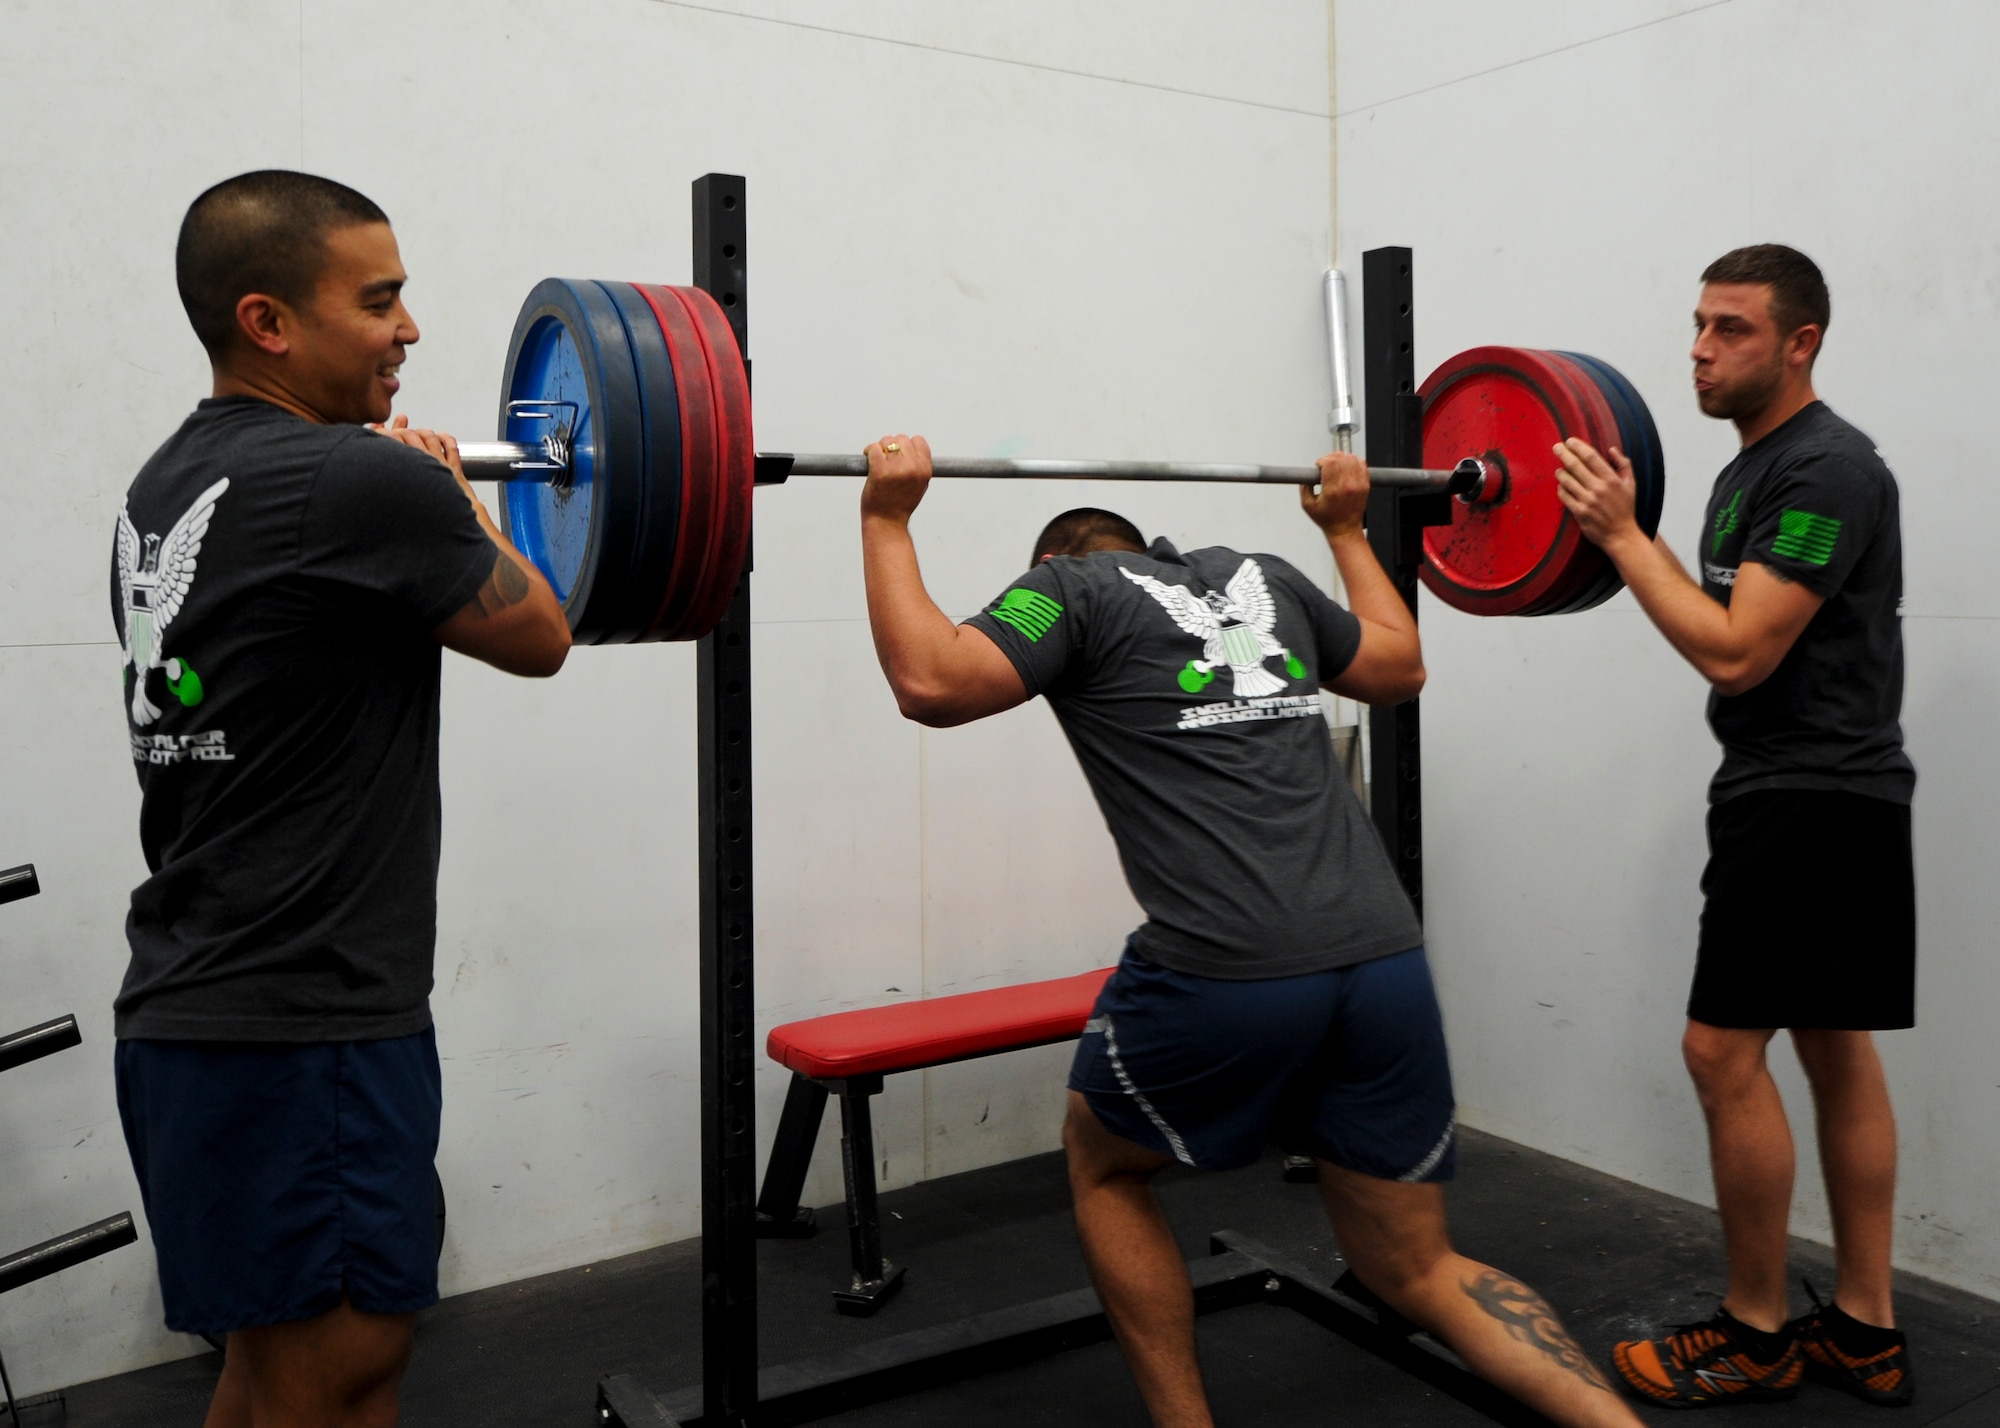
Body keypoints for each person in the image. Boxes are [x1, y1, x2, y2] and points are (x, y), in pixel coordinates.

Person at [858, 436, 1643, 1428]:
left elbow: (932, 683)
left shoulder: (1064, 589)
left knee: (1104, 1165)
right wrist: (1348, 531)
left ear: (1055, 561)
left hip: (1224, 970)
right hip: (1379, 958)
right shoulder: (1261, 578)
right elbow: (1398, 666)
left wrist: (886, 517)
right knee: (1420, 1267)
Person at [111, 170, 570, 1428]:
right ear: (267, 322)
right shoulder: (359, 484)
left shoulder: (167, 490)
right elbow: (541, 633)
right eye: (379, 302)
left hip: (194, 1009)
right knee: (342, 1379)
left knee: (267, 1379)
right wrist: (456, 493)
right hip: (305, 1025)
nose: (409, 330)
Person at [1554, 245, 1916, 1410]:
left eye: (1731, 331)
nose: (1699, 351)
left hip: (1808, 796)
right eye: (1698, 326)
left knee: (1719, 1051)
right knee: (1830, 1043)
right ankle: (1863, 1330)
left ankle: (1754, 1334)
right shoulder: (1749, 469)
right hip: (1811, 788)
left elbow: (1735, 646)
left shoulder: (1824, 473)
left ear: (1799, 342)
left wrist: (1618, 535)